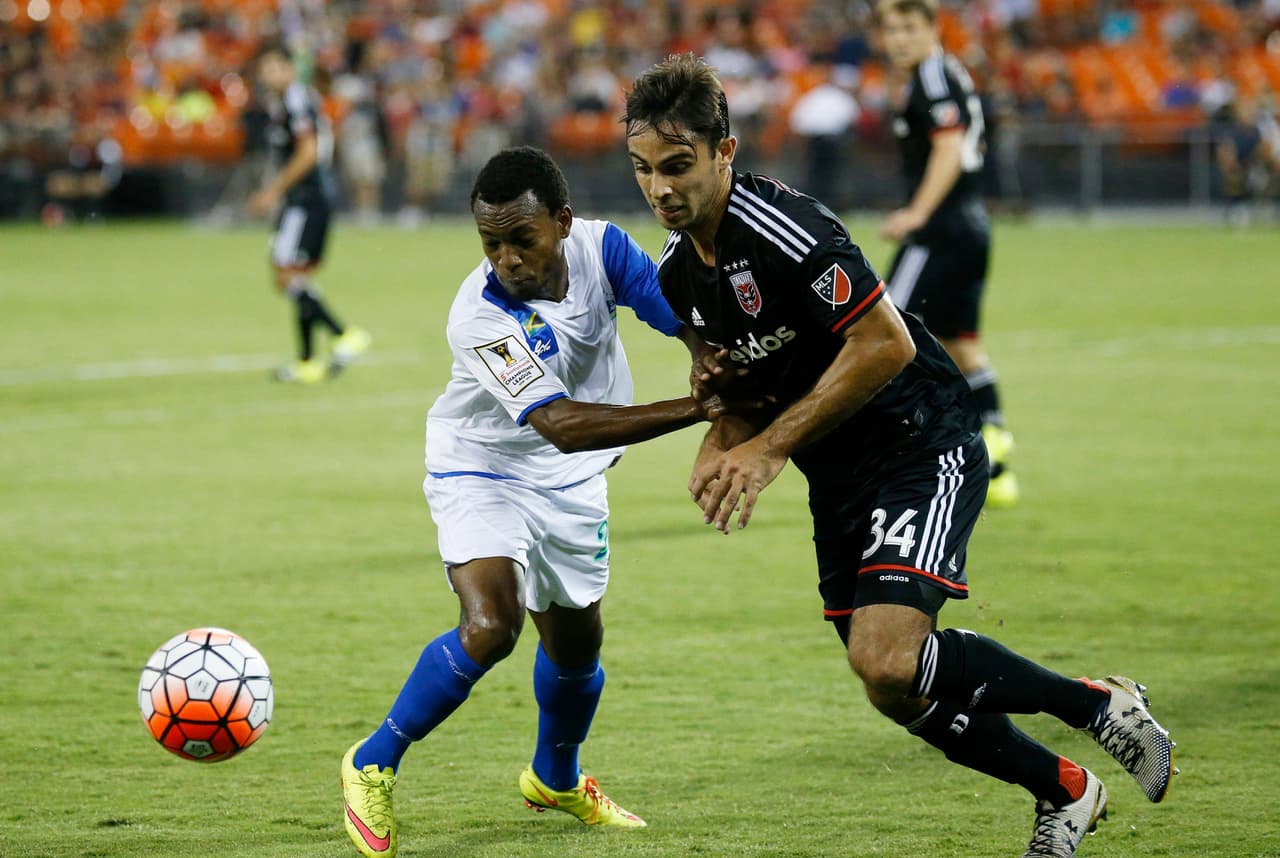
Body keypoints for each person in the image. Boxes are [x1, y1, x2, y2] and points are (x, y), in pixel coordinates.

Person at [623, 54, 1176, 858]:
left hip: (923, 438)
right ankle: (1066, 791)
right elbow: (739, 386)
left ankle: (1095, 704)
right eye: (644, 171)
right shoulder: (679, 275)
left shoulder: (785, 228)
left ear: (725, 153)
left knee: (888, 654)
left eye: (678, 166)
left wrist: (772, 447)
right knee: (889, 684)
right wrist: (721, 439)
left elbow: (883, 344)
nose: (661, 188)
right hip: (839, 476)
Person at [340, 146, 731, 857]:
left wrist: (704, 353)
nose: (507, 260)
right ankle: (372, 760)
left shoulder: (603, 247)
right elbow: (562, 426)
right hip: (482, 467)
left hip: (572, 484)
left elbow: (666, 306)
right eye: (492, 244)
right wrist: (699, 408)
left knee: (578, 645)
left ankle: (555, 778)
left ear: (562, 222)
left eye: (522, 239)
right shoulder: (479, 318)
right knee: (493, 625)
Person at [877, 0, 1018, 507]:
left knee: (884, 335)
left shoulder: (933, 75)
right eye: (891, 30)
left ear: (933, 28)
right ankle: (996, 459)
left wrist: (917, 212)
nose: (898, 39)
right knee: (962, 347)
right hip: (971, 228)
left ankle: (911, 457)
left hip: (939, 231)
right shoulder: (946, 72)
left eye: (908, 28)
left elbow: (949, 145)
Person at [249, 42, 370, 384]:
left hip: (307, 198)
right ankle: (306, 361)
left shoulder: (296, 99)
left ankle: (344, 335)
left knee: (287, 274)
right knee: (296, 277)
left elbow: (308, 152)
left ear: (290, 68)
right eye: (264, 69)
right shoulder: (287, 102)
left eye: (274, 67)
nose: (267, 75)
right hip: (305, 198)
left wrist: (273, 190)